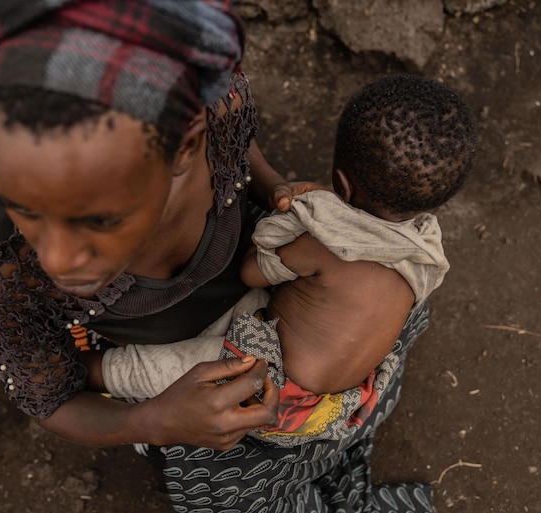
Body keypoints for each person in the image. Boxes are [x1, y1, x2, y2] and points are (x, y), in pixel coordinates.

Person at [0, 1, 458, 513]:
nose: (56, 260)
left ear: (189, 143)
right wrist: (154, 420)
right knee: (227, 486)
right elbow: (53, 403)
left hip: (277, 310)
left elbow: (241, 150)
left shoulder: (214, 104)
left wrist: (273, 188)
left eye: (96, 219)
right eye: (19, 204)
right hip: (172, 375)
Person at [99, 74, 472, 449]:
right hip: (339, 402)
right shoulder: (424, 252)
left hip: (274, 383)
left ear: (341, 186)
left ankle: (94, 374)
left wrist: (289, 224)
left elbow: (251, 274)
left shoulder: (326, 243)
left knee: (152, 369)